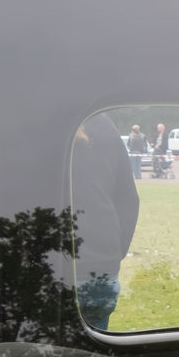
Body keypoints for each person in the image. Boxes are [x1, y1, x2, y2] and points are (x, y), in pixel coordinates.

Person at [72, 111, 140, 330]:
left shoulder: (40, 121)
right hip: (100, 269)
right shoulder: (103, 124)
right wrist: (112, 254)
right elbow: (128, 199)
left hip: (53, 266)